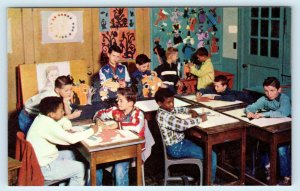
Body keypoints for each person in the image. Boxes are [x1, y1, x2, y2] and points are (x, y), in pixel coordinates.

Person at [26, 96, 99, 186]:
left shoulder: (42, 118)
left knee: (73, 154)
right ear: (51, 114)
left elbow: (63, 121)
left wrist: (66, 126)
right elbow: (71, 139)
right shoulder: (47, 125)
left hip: (42, 160)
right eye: (61, 111)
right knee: (80, 168)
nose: (63, 112)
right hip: (42, 168)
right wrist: (92, 130)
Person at [154, 87, 217, 183]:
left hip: (179, 143)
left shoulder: (165, 110)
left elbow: (177, 110)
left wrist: (190, 111)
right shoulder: (165, 116)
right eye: (169, 102)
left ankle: (203, 177)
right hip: (176, 148)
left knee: (200, 141)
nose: (172, 104)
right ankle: (209, 184)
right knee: (211, 155)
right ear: (159, 103)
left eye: (173, 101)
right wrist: (201, 119)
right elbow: (182, 126)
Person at [93, 87, 145, 186]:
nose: (118, 102)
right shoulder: (115, 110)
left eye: (121, 100)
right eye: (117, 100)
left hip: (132, 150)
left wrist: (117, 125)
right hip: (116, 147)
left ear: (130, 103)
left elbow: (136, 126)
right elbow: (99, 113)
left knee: (120, 167)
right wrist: (98, 119)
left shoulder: (138, 113)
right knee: (96, 164)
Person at [244, 77, 291, 184]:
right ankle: (268, 169)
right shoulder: (264, 99)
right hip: (272, 127)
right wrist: (249, 112)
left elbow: (283, 112)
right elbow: (251, 107)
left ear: (279, 90)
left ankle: (287, 176)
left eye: (272, 90)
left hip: (286, 129)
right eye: (266, 91)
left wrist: (263, 114)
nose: (269, 94)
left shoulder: (284, 98)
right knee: (264, 144)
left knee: (281, 150)